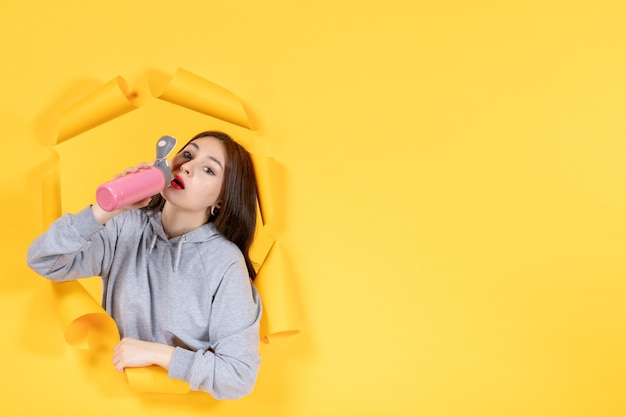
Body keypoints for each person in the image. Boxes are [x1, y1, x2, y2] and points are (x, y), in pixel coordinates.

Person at [27, 131, 262, 400]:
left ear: (220, 201)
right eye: (187, 154)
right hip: (106, 398)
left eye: (208, 169)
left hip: (175, 408)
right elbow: (44, 260)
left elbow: (238, 376)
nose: (187, 166)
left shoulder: (224, 261)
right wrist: (108, 210)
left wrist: (158, 354)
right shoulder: (126, 226)